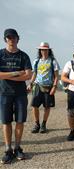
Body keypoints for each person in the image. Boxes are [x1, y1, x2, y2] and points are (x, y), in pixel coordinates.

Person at [0, 28, 32, 164]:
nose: (11, 39)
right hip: (4, 93)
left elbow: (28, 75)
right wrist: (15, 73)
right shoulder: (1, 54)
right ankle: (8, 149)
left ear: (18, 38)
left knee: (20, 121)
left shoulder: (24, 56)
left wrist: (6, 76)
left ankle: (17, 147)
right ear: (5, 39)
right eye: (9, 37)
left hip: (20, 94)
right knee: (6, 122)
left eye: (13, 37)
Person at [28, 42, 60, 134]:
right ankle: (36, 124)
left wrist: (54, 87)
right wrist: (30, 83)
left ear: (48, 50)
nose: (44, 51)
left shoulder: (53, 61)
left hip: (49, 86)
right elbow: (34, 73)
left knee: (47, 106)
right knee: (34, 106)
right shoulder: (37, 61)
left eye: (46, 50)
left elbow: (57, 76)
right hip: (38, 85)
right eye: (42, 50)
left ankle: (43, 124)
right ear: (40, 50)